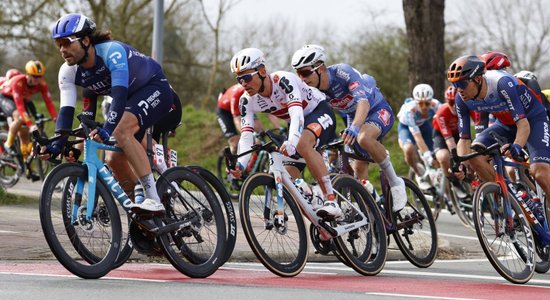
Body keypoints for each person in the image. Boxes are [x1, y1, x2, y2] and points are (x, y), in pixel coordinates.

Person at [44, 13, 176, 213]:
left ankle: (153, 198)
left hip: (154, 88)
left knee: (120, 130)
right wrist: (57, 143)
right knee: (112, 159)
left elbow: (120, 97)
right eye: (58, 44)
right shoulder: (68, 72)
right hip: (129, 102)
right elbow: (66, 112)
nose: (62, 49)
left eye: (66, 42)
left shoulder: (111, 52)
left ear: (85, 40)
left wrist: (107, 129)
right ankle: (144, 220)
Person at [229, 47, 342, 220]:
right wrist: (240, 165)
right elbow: (246, 136)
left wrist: (292, 141)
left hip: (318, 112)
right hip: (297, 125)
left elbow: (297, 115)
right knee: (288, 181)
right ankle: (321, 224)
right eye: (239, 79)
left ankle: (331, 200)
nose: (243, 83)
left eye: (246, 77)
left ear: (262, 71)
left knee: (302, 144)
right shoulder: (246, 101)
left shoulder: (283, 80)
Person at [291, 44, 407, 212]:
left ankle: (396, 183)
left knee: (363, 138)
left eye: (305, 72)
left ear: (320, 68)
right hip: (353, 116)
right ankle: (374, 214)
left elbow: (363, 103)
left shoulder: (342, 73)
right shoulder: (312, 90)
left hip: (375, 109)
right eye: (298, 73)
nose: (302, 78)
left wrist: (354, 128)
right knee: (356, 169)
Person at [447, 55, 550, 213]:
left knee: (540, 172)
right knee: (474, 155)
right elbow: (464, 139)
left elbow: (523, 125)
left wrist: (516, 146)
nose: (459, 89)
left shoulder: (502, 83)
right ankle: (516, 199)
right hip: (505, 124)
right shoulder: (462, 98)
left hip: (532, 120)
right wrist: (461, 163)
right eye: (455, 84)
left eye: (462, 83)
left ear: (478, 79)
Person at [0, 61, 58, 164]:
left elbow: (49, 102)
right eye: (35, 76)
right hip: (6, 98)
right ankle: (8, 144)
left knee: (25, 132)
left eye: (40, 76)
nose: (37, 79)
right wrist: (31, 124)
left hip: (21, 99)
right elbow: (20, 106)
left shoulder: (42, 84)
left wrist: (56, 118)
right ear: (27, 74)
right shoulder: (18, 82)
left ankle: (26, 164)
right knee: (20, 118)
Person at [396, 83, 441, 190]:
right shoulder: (410, 111)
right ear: (416, 102)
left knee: (435, 152)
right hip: (406, 127)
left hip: (423, 125)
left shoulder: (436, 105)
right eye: (420, 104)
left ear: (431, 101)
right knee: (409, 148)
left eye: (427, 103)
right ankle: (418, 174)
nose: (424, 107)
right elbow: (417, 137)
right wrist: (427, 156)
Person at [216, 84, 281, 155]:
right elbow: (237, 119)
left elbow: (270, 113)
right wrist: (247, 134)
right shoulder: (237, 95)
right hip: (225, 111)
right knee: (235, 143)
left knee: (259, 132)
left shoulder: (261, 91)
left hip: (244, 106)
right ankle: (232, 164)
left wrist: (280, 129)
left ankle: (257, 161)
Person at [432, 86, 467, 196]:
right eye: (451, 102)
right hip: (441, 135)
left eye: (456, 102)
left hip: (458, 133)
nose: (454, 105)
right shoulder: (442, 111)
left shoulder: (467, 107)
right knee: (444, 157)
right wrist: (457, 158)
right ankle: (454, 181)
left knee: (470, 154)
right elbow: (449, 140)